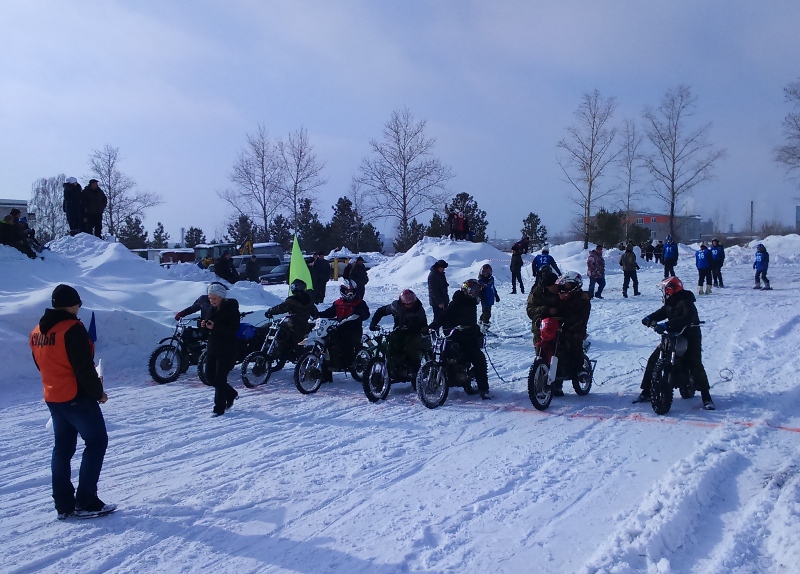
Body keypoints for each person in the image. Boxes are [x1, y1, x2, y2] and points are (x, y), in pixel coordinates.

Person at [29, 284, 115, 519]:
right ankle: (86, 501)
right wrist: (99, 393)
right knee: (96, 443)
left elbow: (40, 364)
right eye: (78, 304)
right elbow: (84, 367)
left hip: (53, 397)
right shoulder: (72, 329)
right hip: (77, 397)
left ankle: (64, 505)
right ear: (70, 305)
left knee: (63, 449)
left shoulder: (37, 331)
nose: (79, 308)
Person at [638, 277, 715, 410]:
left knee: (694, 363)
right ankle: (647, 391)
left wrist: (667, 324)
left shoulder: (686, 301)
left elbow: (686, 318)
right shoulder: (671, 302)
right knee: (654, 359)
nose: (665, 292)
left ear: (673, 289)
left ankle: (706, 397)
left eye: (666, 289)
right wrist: (650, 318)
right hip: (673, 336)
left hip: (690, 336)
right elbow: (663, 312)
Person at [429, 279, 490, 399]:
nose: (477, 293)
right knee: (443, 353)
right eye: (475, 291)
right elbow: (444, 316)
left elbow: (471, 322)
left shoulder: (471, 303)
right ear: (467, 291)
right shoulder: (458, 302)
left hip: (469, 335)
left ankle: (483, 389)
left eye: (477, 291)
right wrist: (432, 326)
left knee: (479, 358)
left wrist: (477, 332)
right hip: (455, 335)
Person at [369, 289, 428, 378]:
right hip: (399, 331)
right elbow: (381, 311)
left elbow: (424, 323)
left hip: (414, 332)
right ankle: (392, 365)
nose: (408, 305)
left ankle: (414, 368)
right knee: (390, 343)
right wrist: (373, 323)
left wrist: (423, 329)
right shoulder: (395, 306)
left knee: (410, 345)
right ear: (401, 302)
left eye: (410, 303)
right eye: (406, 303)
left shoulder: (419, 309)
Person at [318, 279, 370, 380]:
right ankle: (326, 373)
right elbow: (329, 312)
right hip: (339, 328)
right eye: (347, 291)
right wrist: (318, 315)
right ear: (342, 291)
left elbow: (366, 314)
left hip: (354, 330)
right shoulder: (338, 303)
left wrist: (358, 312)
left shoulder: (359, 303)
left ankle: (348, 363)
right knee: (326, 342)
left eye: (351, 291)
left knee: (346, 341)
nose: (349, 293)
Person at [203, 282, 241, 416]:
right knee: (209, 377)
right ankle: (231, 393)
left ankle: (219, 408)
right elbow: (209, 324)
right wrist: (203, 324)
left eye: (214, 298)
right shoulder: (212, 309)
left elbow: (233, 329)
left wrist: (215, 326)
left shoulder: (231, 308)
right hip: (213, 347)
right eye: (210, 298)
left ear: (222, 297)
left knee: (219, 379)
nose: (212, 301)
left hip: (227, 348)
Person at [551, 271, 591, 396]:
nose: (566, 286)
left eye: (568, 284)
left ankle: (580, 369)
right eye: (565, 284)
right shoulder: (561, 296)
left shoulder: (582, 299)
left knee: (573, 342)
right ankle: (556, 382)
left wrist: (569, 324)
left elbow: (582, 317)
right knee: (555, 350)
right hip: (560, 327)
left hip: (576, 328)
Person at [265, 279, 319, 349]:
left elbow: (281, 308)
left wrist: (270, 311)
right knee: (297, 344)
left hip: (293, 326)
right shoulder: (308, 299)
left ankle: (282, 355)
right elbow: (315, 313)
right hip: (304, 326)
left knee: (282, 338)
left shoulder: (292, 300)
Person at [526, 270, 561, 346]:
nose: (556, 288)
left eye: (557, 285)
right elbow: (530, 310)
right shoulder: (537, 293)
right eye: (553, 286)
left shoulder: (561, 292)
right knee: (541, 353)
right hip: (541, 328)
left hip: (558, 327)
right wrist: (546, 310)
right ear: (547, 286)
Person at [427, 259, 450, 324]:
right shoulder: (433, 276)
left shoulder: (441, 274)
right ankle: (435, 332)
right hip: (437, 302)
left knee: (445, 318)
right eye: (443, 268)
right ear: (439, 267)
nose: (444, 270)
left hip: (444, 300)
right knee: (437, 319)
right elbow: (433, 291)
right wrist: (439, 302)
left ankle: (446, 332)